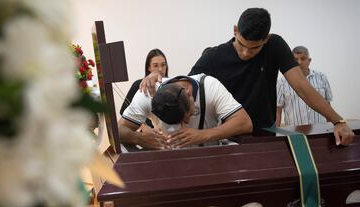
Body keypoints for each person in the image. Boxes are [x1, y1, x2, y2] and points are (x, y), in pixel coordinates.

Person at [140, 8, 354, 146]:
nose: (245, 53)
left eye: (254, 49)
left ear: (266, 39)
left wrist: (338, 120)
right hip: (227, 138)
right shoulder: (214, 56)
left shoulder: (275, 45)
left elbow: (301, 86)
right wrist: (156, 78)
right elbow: (183, 90)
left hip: (266, 133)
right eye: (242, 45)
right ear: (235, 31)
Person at [119, 74, 253, 150]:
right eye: (179, 122)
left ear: (189, 94)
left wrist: (204, 134)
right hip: (168, 163)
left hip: (209, 158)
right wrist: (140, 138)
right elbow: (118, 131)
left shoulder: (210, 87)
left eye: (188, 116)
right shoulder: (147, 94)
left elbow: (245, 123)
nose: (186, 124)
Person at [276, 46, 333, 126]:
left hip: (320, 130)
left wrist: (330, 128)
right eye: (295, 59)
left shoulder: (321, 77)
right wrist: (275, 134)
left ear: (309, 61)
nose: (299, 62)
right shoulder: (282, 82)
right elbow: (278, 110)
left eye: (303, 59)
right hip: (294, 133)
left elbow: (327, 105)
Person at [119, 48, 168, 127]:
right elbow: (123, 111)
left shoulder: (171, 86)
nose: (160, 69)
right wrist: (143, 127)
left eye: (163, 65)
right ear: (149, 68)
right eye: (155, 65)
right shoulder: (138, 85)